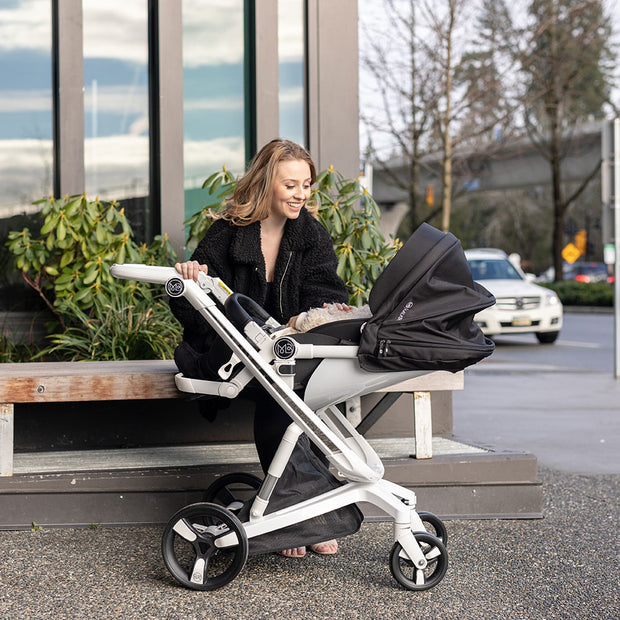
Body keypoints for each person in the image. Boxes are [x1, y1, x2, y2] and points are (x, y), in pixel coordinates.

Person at [170, 138, 352, 558]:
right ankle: (301, 515)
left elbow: (325, 293)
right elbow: (195, 309)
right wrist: (190, 277)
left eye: (306, 185)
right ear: (267, 183)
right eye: (291, 185)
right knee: (278, 392)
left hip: (288, 352)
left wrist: (316, 316)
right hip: (232, 356)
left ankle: (302, 511)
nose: (301, 194)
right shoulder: (225, 234)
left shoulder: (311, 235)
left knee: (300, 387)